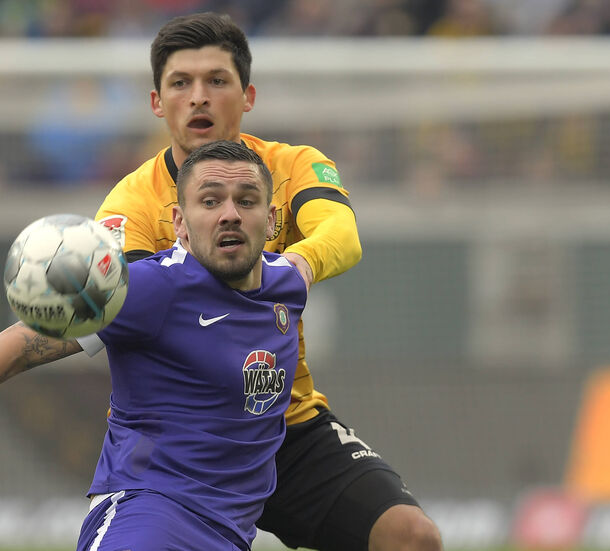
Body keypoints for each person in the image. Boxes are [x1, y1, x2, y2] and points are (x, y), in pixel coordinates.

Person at [0, 140, 307, 550]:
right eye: (210, 201)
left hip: (230, 534)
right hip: (149, 520)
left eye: (246, 201)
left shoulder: (288, 286)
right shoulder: (148, 290)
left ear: (271, 221)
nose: (230, 213)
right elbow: (10, 349)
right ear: (180, 223)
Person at [93, 12, 442, 551]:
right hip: (184, 440)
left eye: (217, 81)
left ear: (247, 95)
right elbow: (125, 310)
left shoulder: (294, 164)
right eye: (181, 84)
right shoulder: (129, 205)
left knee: (411, 536)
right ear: (157, 103)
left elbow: (342, 235)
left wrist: (292, 267)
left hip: (284, 420)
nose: (199, 97)